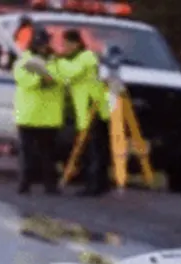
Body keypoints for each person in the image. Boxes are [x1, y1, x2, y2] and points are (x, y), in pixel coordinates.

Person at [57, 28, 111, 196]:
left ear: (76, 43)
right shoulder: (78, 58)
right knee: (91, 148)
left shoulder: (86, 57)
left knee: (93, 149)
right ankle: (98, 183)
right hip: (86, 108)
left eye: (66, 44)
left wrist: (58, 61)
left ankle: (94, 185)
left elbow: (72, 72)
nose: (64, 48)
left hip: (93, 108)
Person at [12, 27, 64, 195]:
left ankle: (50, 186)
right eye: (41, 44)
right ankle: (24, 184)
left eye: (45, 43)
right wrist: (42, 78)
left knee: (48, 155)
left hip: (49, 117)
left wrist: (49, 78)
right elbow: (24, 80)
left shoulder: (56, 61)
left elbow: (62, 79)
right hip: (29, 115)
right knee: (27, 154)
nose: (44, 47)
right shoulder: (23, 61)